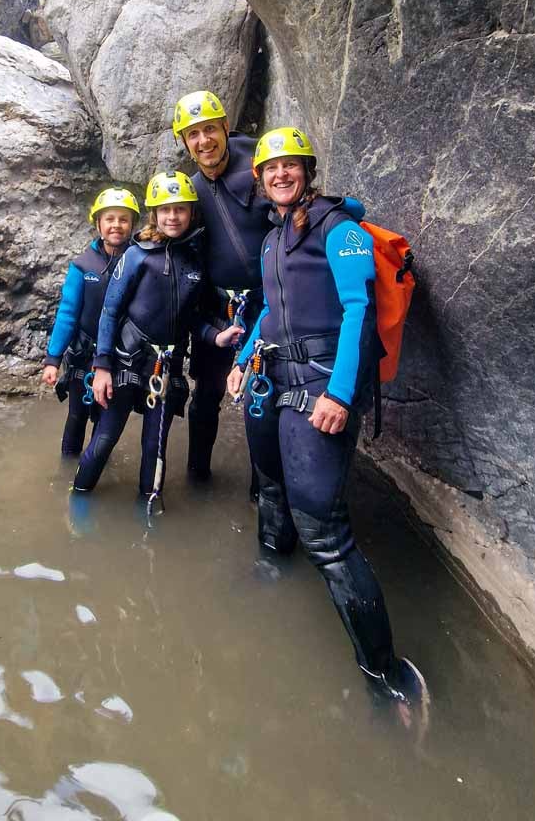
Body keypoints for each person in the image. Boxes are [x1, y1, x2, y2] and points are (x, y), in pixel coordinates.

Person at [227, 127, 429, 724]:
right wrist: (242, 362)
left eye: (291, 166)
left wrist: (341, 394)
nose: (281, 175)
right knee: (268, 484)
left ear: (307, 172)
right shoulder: (271, 242)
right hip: (272, 377)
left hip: (319, 386)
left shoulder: (340, 231)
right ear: (260, 180)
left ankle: (386, 673)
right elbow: (267, 309)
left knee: (323, 525)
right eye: (271, 168)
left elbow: (359, 310)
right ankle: (271, 564)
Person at [74, 171, 243, 502]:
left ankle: (148, 508)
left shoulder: (195, 261)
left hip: (166, 368)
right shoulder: (137, 255)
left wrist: (215, 337)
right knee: (106, 436)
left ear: (191, 213)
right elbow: (110, 311)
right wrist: (103, 366)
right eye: (165, 210)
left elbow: (192, 317)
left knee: (155, 446)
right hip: (126, 360)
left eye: (180, 209)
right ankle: (78, 497)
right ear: (154, 214)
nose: (172, 216)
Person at [171, 90, 270, 492]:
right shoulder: (191, 190)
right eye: (192, 134)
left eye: (209, 129)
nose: (203, 141)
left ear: (225, 128)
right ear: (184, 142)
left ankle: (261, 491)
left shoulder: (262, 170)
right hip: (217, 307)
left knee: (265, 392)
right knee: (207, 394)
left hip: (268, 302)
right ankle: (197, 477)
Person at [42, 189, 139, 456]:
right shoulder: (83, 265)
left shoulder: (141, 261)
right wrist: (53, 358)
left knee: (104, 414)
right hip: (83, 352)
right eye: (109, 219)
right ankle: (67, 468)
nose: (116, 225)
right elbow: (68, 312)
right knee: (76, 415)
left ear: (133, 224)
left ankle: (92, 467)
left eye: (123, 219)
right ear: (98, 224)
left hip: (119, 355)